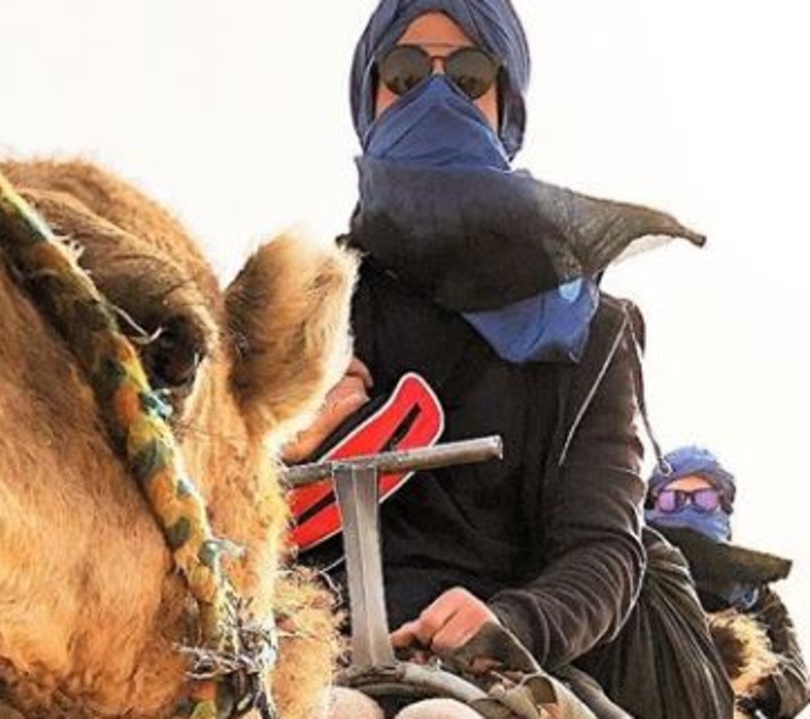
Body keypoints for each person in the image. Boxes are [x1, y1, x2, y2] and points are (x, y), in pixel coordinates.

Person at [288, 1, 734, 716]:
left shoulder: (592, 330)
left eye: (467, 76)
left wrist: (514, 624)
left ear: (507, 106)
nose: (433, 93)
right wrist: (278, 451)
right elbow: (205, 525)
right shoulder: (306, 312)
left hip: (503, 678)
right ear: (369, 98)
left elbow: (604, 551)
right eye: (404, 73)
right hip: (306, 662)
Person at [646, 446, 809, 718]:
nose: (688, 508)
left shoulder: (756, 593)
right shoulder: (634, 571)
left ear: (723, 505)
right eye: (672, 499)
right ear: (651, 503)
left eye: (705, 499)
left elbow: (796, 683)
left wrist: (749, 676)